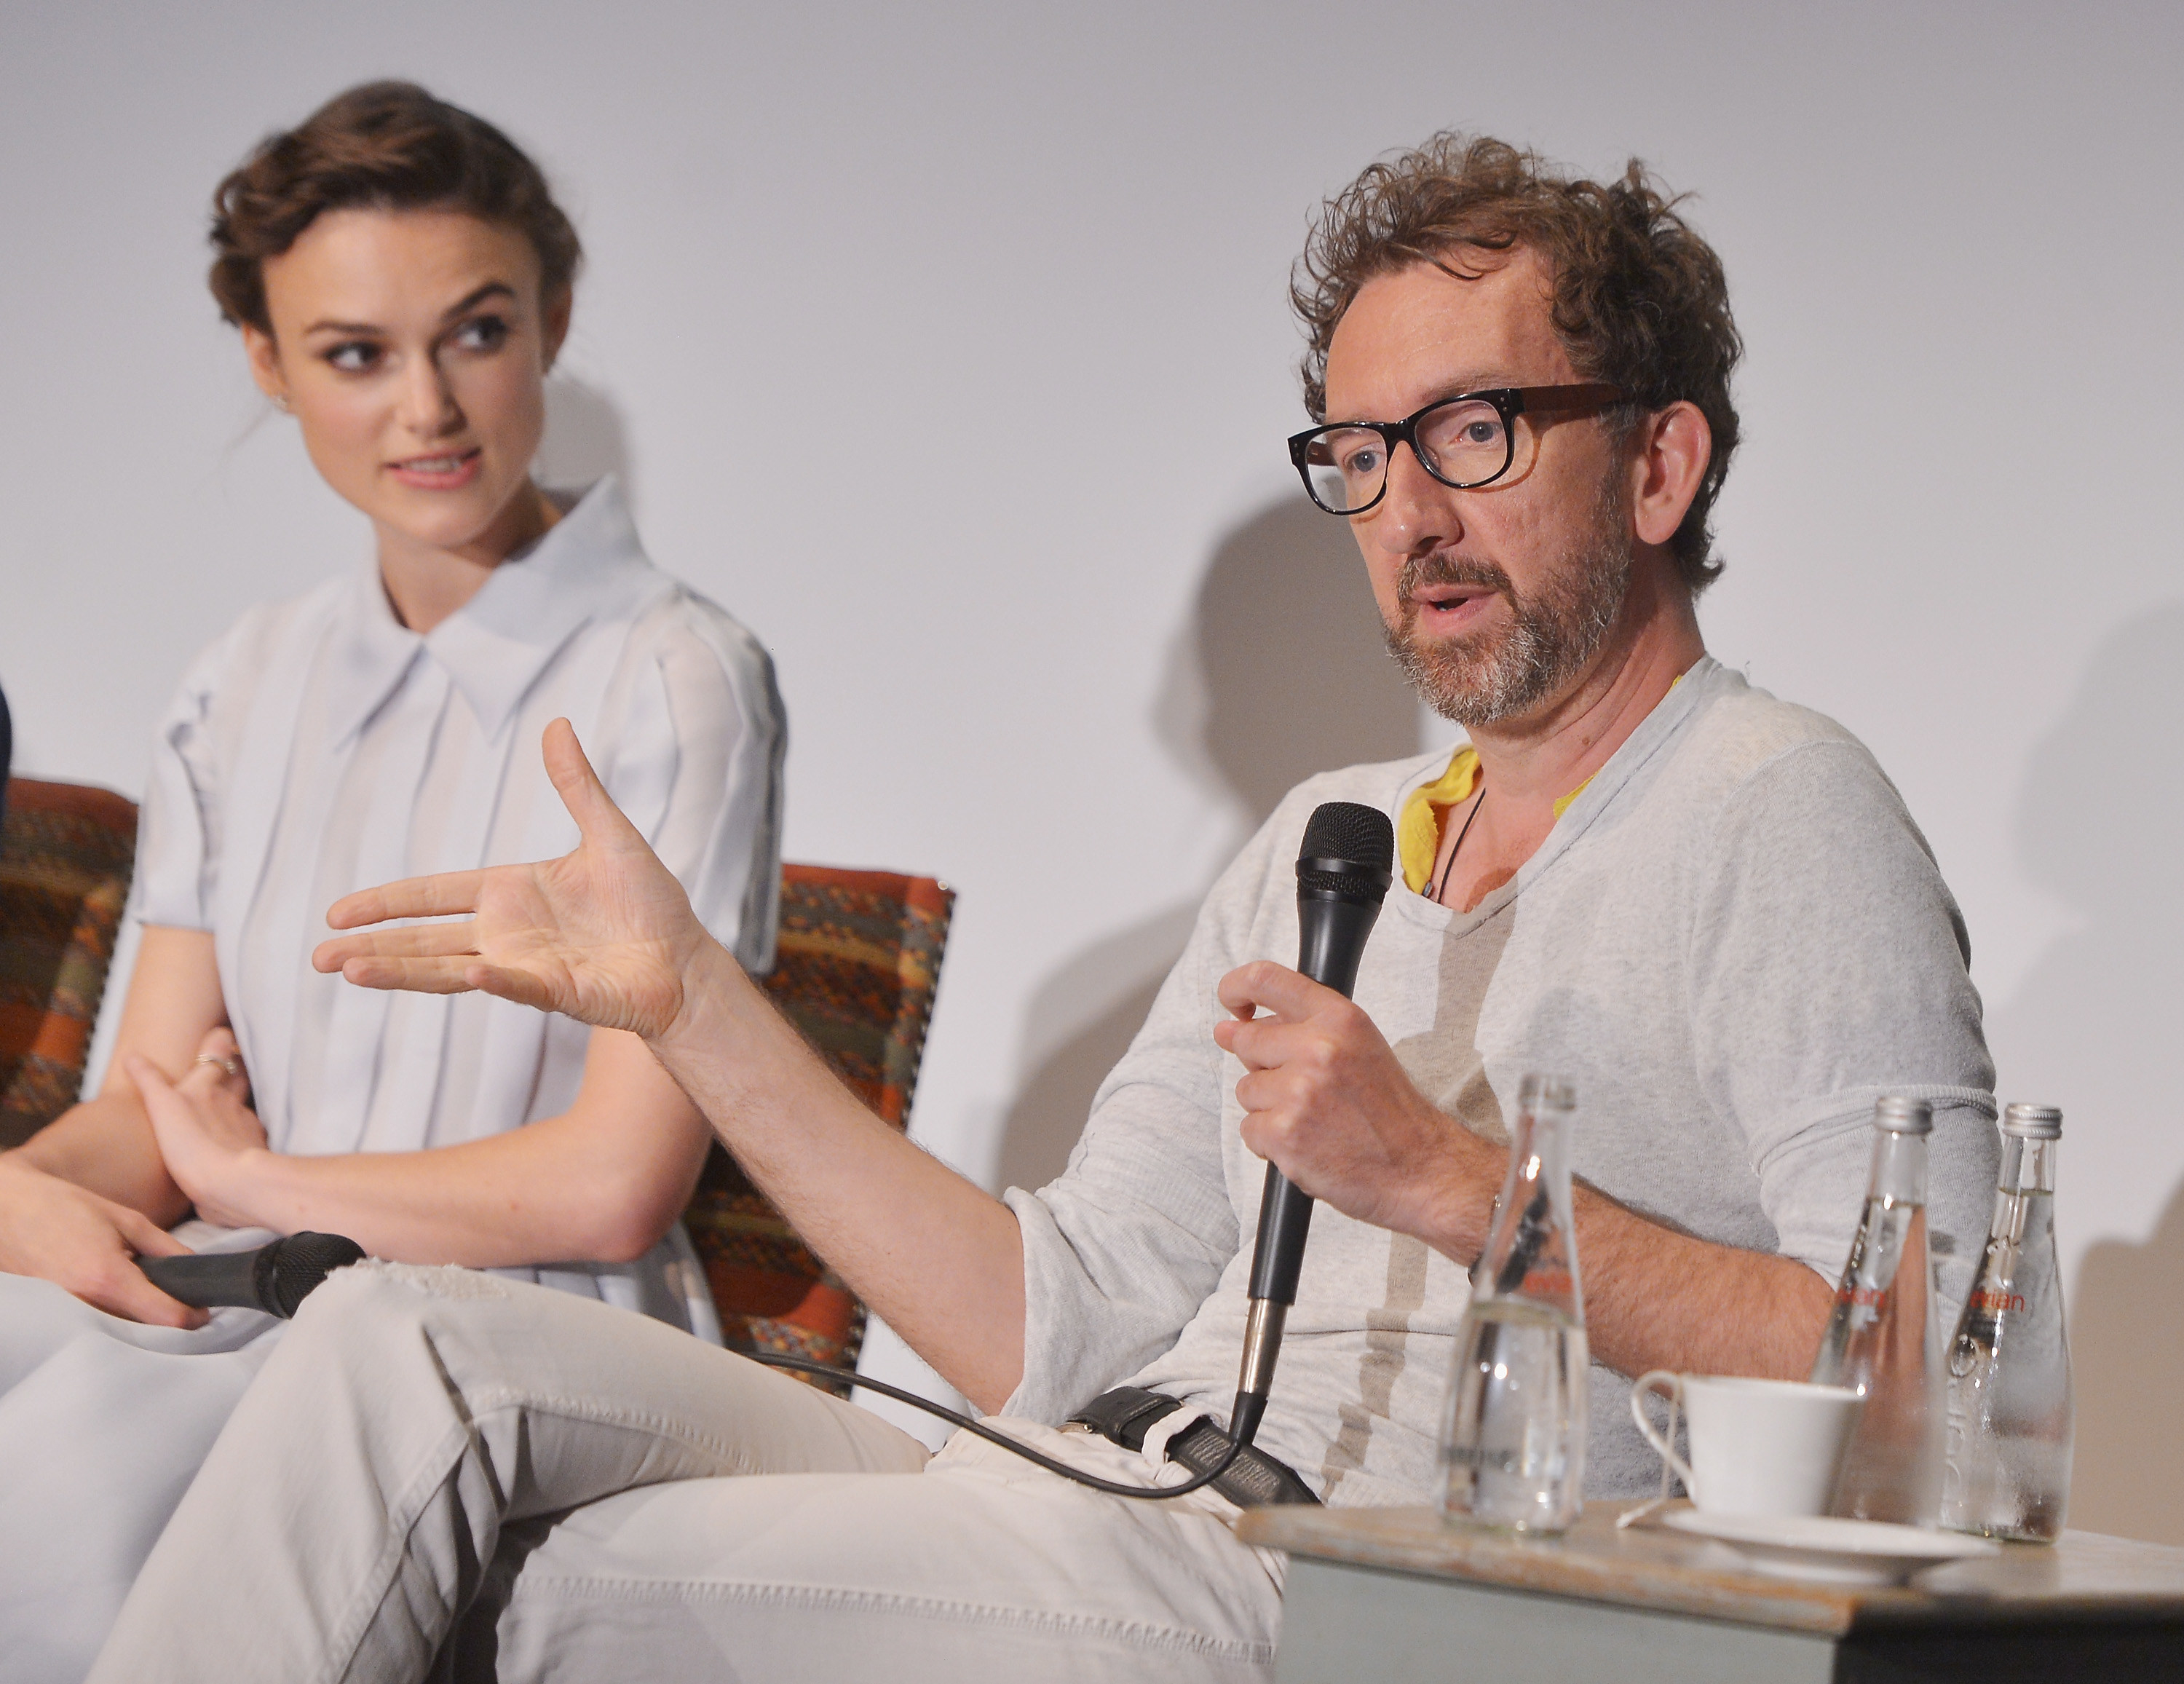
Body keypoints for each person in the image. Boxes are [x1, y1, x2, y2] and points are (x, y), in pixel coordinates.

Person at [95, 134, 1997, 1684]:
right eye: (1360, 453)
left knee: (571, 1588)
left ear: (1660, 461)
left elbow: (1949, 1380)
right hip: (1068, 1474)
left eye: (1474, 431)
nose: (1407, 512)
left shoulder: (1779, 813)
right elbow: (1052, 1317)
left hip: (1310, 1576)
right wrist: (687, 998)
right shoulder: (1333, 831)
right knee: (395, 1340)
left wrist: (1447, 1185)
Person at [0, 82, 784, 1680]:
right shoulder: (240, 681)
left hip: (533, 1334)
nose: (428, 405)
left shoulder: (677, 675)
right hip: (253, 1287)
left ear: (553, 318)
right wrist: (23, 1194)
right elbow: (151, 1111)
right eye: (356, 355)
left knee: (67, 1487)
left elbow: (610, 1184)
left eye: (476, 333)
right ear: (270, 365)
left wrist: (256, 1184)